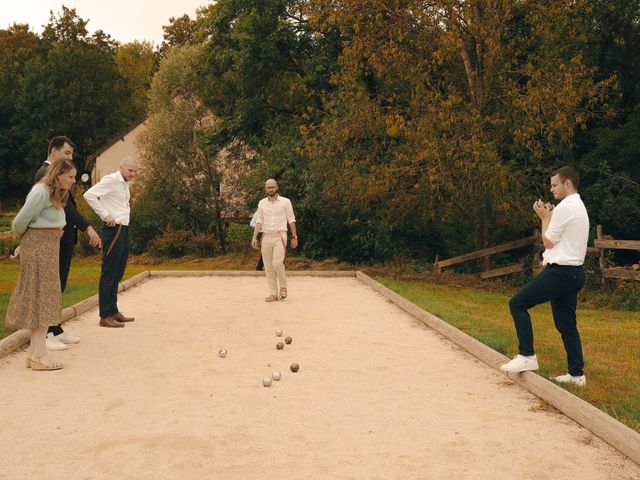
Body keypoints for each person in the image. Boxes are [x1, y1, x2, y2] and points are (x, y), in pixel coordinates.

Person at [501, 166, 589, 386]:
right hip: (574, 273)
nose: (551, 190)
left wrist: (544, 217)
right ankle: (577, 375)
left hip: (561, 273)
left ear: (567, 184)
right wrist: (551, 217)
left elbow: (547, 240)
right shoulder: (578, 205)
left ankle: (527, 356)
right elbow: (557, 243)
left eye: (554, 185)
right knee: (566, 325)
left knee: (517, 303)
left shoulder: (566, 207)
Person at [5, 158, 78, 370]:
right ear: (59, 175)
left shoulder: (54, 193)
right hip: (39, 246)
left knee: (44, 297)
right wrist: (26, 242)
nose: (73, 181)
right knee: (40, 296)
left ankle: (35, 353)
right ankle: (38, 355)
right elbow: (19, 222)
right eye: (71, 177)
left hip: (48, 246)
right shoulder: (41, 192)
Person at [35, 136, 102, 350]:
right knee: (49, 286)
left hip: (63, 238)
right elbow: (66, 208)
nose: (71, 158)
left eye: (71, 154)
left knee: (58, 285)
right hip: (51, 238)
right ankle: (44, 334)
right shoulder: (45, 174)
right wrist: (87, 227)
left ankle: (55, 328)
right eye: (67, 153)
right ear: (54, 152)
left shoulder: (59, 174)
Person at [83, 156, 138, 328]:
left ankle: (113, 311)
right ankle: (105, 315)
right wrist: (106, 215)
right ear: (121, 167)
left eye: (135, 171)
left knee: (117, 272)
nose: (133, 174)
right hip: (113, 230)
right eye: (130, 170)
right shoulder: (111, 180)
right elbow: (89, 195)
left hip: (123, 229)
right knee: (109, 272)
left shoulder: (125, 183)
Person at [251, 179, 298, 302]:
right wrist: (254, 237)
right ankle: (273, 293)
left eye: (272, 187)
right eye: (268, 188)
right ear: (265, 189)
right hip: (266, 236)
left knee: (277, 263)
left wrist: (294, 236)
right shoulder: (262, 203)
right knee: (268, 266)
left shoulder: (285, 202)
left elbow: (291, 220)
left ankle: (283, 287)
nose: (270, 189)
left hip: (280, 235)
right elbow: (259, 221)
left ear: (277, 187)